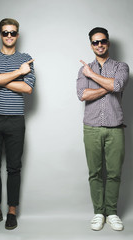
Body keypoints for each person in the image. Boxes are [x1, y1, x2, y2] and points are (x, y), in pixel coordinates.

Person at [0, 18, 35, 230]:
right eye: (6, 33)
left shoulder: (27, 59)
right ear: (0, 35)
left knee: (14, 168)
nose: (9, 36)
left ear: (18, 35)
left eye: (13, 33)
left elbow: (28, 89)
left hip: (16, 120)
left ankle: (12, 212)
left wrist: (1, 78)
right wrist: (19, 73)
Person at [76, 27, 129, 231]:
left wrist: (94, 78)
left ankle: (112, 213)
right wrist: (107, 85)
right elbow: (82, 95)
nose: (100, 45)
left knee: (114, 173)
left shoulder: (121, 66)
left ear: (108, 42)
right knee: (95, 172)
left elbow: (118, 85)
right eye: (95, 42)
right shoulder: (84, 69)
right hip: (91, 128)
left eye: (103, 41)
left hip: (115, 128)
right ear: (91, 45)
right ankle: (99, 212)